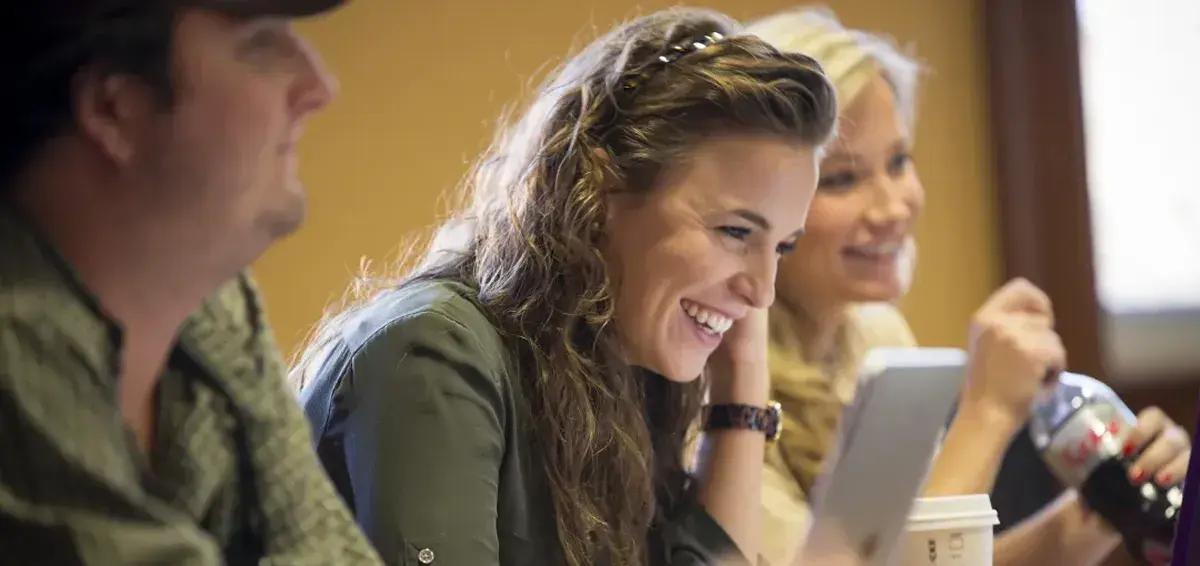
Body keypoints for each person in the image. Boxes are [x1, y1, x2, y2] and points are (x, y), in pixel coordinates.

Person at [294, 7, 843, 566]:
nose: (764, 292)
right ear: (600, 187)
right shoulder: (431, 360)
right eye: (735, 231)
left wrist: (743, 383)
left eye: (782, 247)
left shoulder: (620, 358)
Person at [745, 7, 1194, 566]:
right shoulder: (722, 381)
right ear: (756, 202)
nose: (894, 206)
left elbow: (934, 560)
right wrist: (987, 411)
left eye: (899, 161)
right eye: (842, 178)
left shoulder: (872, 334)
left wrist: (1098, 512)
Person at [0, 1, 384, 563]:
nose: (319, 86)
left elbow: (325, 552)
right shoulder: (18, 341)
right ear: (114, 108)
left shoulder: (214, 304)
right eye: (260, 43)